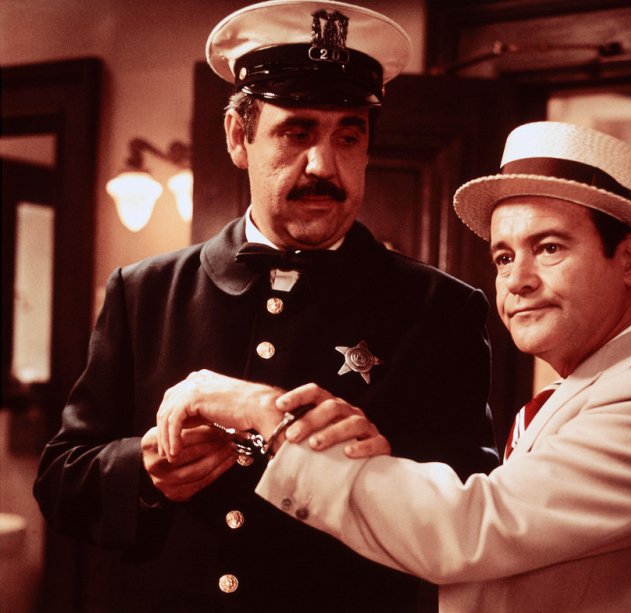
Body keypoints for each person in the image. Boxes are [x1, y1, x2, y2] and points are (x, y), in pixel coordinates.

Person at [158, 121, 631, 612]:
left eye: (549, 247)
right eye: (503, 257)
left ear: (628, 258)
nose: (518, 281)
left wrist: (270, 415)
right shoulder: (595, 386)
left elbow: (473, 527)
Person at [33, 2, 498, 612]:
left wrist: (376, 465)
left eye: (348, 136)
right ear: (238, 137)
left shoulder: (442, 310)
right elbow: (61, 481)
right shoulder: (143, 291)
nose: (323, 165)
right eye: (296, 132)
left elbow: (467, 518)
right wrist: (142, 472)